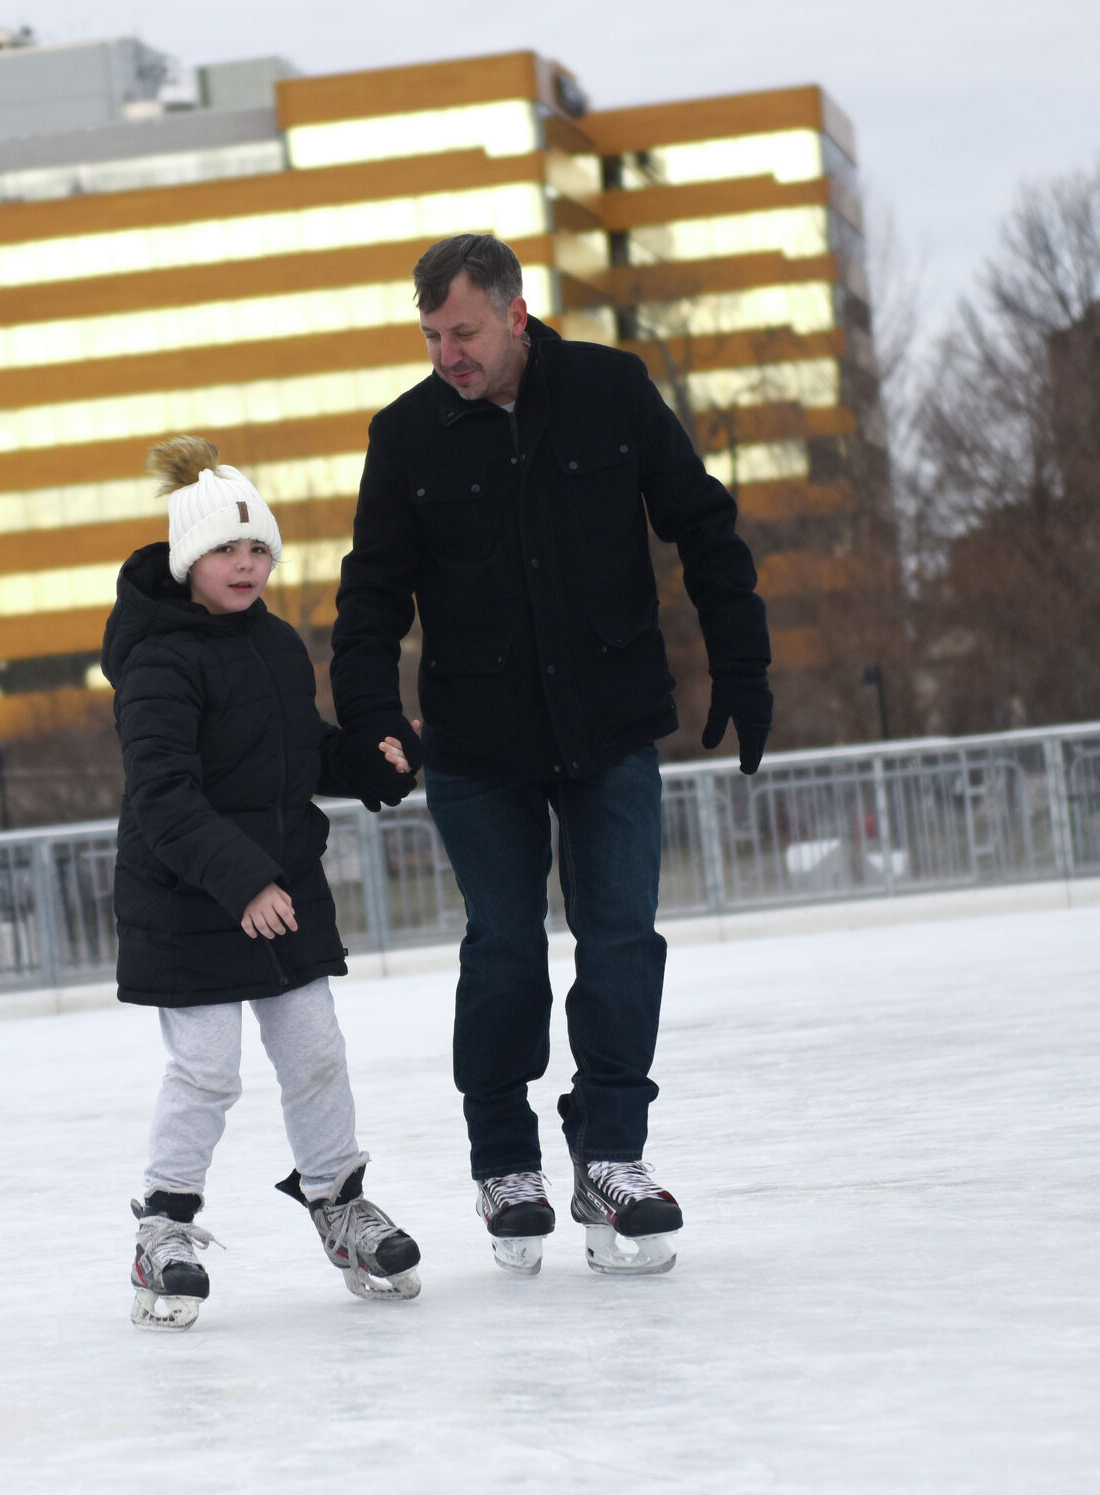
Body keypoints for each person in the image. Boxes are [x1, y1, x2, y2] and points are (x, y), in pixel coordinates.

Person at [330, 234, 774, 1277]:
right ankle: (504, 1163)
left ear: (516, 314)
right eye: (432, 334)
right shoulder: (405, 437)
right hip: (478, 745)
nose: (448, 352)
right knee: (504, 946)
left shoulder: (610, 391)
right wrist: (371, 717)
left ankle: (610, 1151)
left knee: (621, 937)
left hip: (609, 723)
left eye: (465, 331)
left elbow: (703, 529)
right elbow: (368, 597)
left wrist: (741, 668)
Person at [103, 435, 423, 1331]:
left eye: (257, 550)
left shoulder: (276, 645)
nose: (244, 565)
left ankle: (341, 1203)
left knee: (317, 1051)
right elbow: (163, 795)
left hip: (277, 894)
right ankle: (163, 1229)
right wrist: (243, 882)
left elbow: (295, 754)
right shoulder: (158, 661)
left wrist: (371, 761)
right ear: (185, 558)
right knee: (206, 1072)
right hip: (191, 901)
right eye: (222, 550)